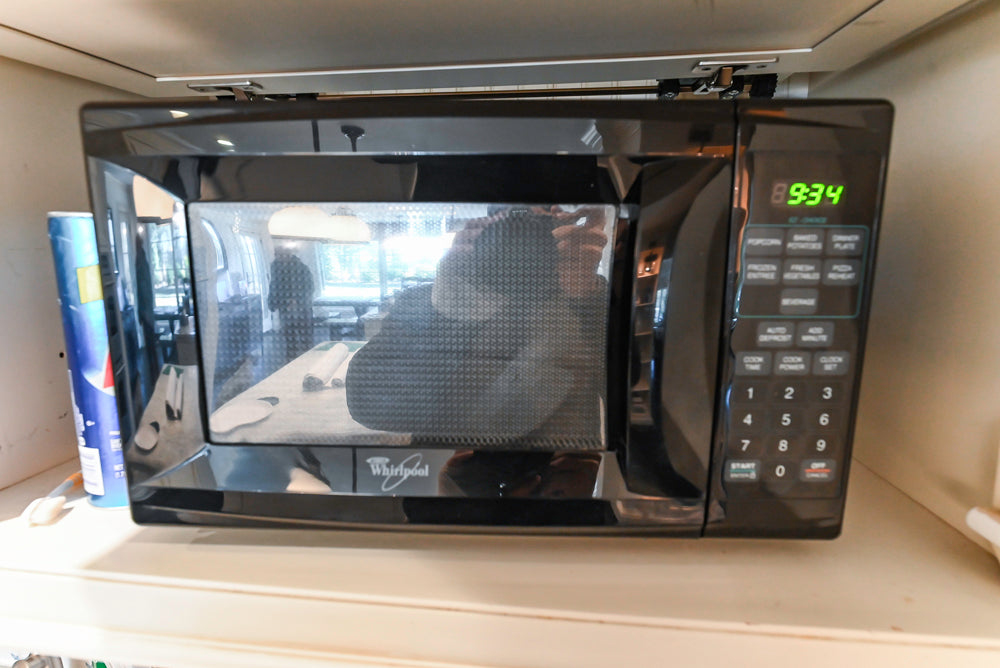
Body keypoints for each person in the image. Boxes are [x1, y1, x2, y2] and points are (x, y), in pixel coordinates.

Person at [345, 205, 610, 496]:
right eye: (513, 224)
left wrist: (585, 298)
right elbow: (368, 405)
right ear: (486, 228)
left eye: (540, 221)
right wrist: (447, 307)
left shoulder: (590, 300)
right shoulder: (429, 300)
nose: (522, 242)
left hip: (559, 486)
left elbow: (636, 403)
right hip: (457, 483)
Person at [268, 244, 315, 364]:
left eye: (280, 254)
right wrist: (273, 302)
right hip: (285, 307)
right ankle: (292, 362)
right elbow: (274, 286)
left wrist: (296, 300)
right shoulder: (275, 267)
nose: (277, 257)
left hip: (302, 308)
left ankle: (309, 360)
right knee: (290, 337)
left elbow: (309, 287)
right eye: (276, 254)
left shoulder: (301, 268)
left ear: (288, 254)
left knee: (305, 336)